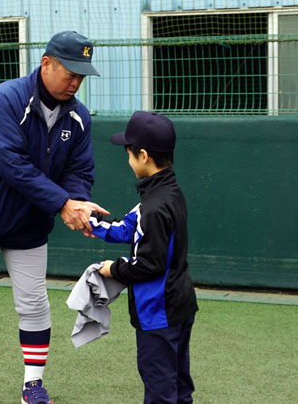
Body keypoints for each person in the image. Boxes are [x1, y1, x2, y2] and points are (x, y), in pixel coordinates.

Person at [0, 31, 107, 404]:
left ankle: (33, 386)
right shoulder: (5, 100)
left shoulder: (79, 116)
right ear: (46, 64)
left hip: (29, 225)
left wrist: (78, 204)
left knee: (34, 303)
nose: (76, 82)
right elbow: (14, 166)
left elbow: (79, 169)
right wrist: (63, 204)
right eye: (70, 72)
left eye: (82, 75)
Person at [88, 111, 199, 403]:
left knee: (160, 388)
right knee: (178, 383)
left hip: (158, 312)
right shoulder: (168, 192)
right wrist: (91, 224)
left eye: (129, 154)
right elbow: (130, 230)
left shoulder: (153, 207)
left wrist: (115, 269)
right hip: (180, 306)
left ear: (144, 156)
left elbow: (149, 264)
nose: (127, 160)